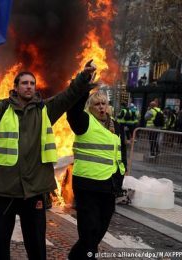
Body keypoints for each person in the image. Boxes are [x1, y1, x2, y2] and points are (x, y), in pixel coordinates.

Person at [0, 61, 96, 260]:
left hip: (34, 191)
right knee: (1, 242)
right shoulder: (2, 108)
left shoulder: (45, 110)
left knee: (36, 245)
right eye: (24, 83)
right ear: (15, 87)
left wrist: (83, 77)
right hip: (6, 190)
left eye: (32, 83)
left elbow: (68, 96)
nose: (29, 86)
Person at [67, 91, 126, 260]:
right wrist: (83, 86)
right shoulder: (84, 121)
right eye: (97, 104)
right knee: (89, 229)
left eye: (104, 103)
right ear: (90, 107)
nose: (101, 107)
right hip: (87, 185)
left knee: (100, 229)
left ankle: (75, 256)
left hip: (109, 185)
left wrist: (121, 177)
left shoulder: (115, 125)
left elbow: (120, 153)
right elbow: (73, 112)